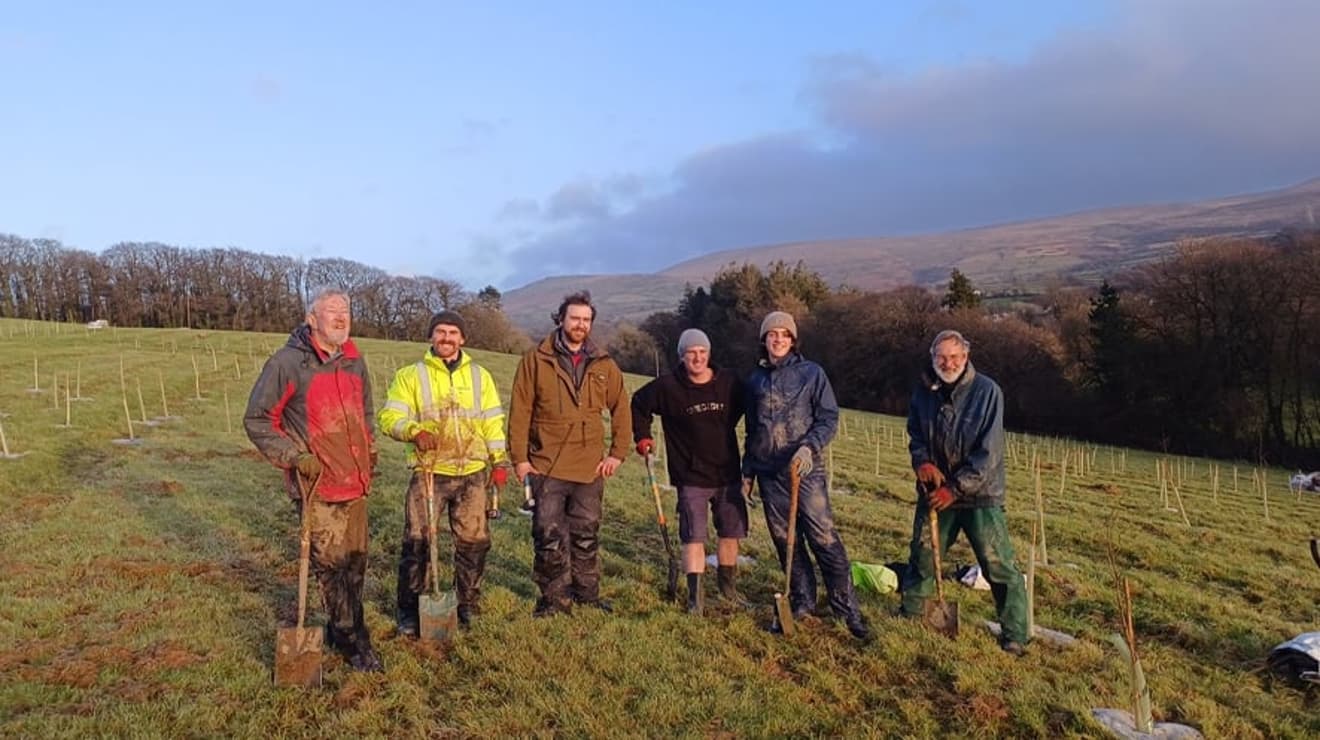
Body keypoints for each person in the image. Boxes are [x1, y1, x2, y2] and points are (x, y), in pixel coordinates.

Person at [244, 287, 382, 672]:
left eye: (346, 312)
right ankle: (354, 642)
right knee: (334, 568)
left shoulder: (354, 361)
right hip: (317, 487)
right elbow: (258, 419)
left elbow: (365, 411)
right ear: (311, 319)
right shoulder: (288, 364)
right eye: (332, 312)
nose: (341, 318)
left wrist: (369, 448)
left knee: (356, 564)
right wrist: (294, 457)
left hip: (356, 483)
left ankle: (343, 631)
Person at [378, 311, 509, 635]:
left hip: (473, 473)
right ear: (431, 337)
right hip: (429, 471)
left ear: (462, 339)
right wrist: (413, 431)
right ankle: (409, 611)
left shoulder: (481, 377)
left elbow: (492, 421)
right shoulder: (411, 375)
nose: (447, 338)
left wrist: (500, 460)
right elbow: (389, 417)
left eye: (453, 332)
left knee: (474, 543)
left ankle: (467, 605)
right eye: (440, 332)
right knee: (417, 543)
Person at [742, 311, 869, 640]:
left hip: (805, 472)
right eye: (772, 334)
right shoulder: (755, 379)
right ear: (764, 340)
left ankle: (846, 609)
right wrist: (748, 471)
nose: (778, 339)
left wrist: (808, 447)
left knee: (824, 538)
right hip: (770, 475)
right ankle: (802, 601)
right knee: (786, 542)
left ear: (793, 340)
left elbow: (828, 417)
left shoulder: (812, 374)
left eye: (785, 334)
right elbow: (753, 430)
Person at [902, 329, 1029, 655]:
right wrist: (923, 462)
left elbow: (989, 453)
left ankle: (1015, 633)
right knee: (924, 556)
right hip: (934, 491)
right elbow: (915, 433)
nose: (949, 362)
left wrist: (955, 489)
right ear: (933, 359)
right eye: (942, 357)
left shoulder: (988, 392)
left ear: (966, 357)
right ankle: (912, 613)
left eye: (955, 356)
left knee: (997, 565)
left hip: (980, 494)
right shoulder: (923, 391)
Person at [508, 291, 631, 617]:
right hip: (547, 465)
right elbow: (519, 411)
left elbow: (621, 407)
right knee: (548, 537)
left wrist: (617, 453)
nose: (580, 324)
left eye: (586, 319)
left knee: (586, 535)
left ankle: (587, 595)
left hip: (590, 468)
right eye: (574, 318)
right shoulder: (536, 360)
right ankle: (553, 600)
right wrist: (520, 459)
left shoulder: (604, 364)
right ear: (560, 319)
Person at [631, 328, 748, 615]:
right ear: (682, 356)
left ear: (709, 354)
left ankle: (728, 590)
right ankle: (696, 600)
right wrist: (642, 437)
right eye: (691, 353)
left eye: (702, 352)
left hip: (728, 473)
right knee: (693, 536)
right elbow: (638, 404)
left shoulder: (730, 382)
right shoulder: (668, 387)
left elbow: (751, 407)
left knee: (729, 533)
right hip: (690, 475)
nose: (697, 357)